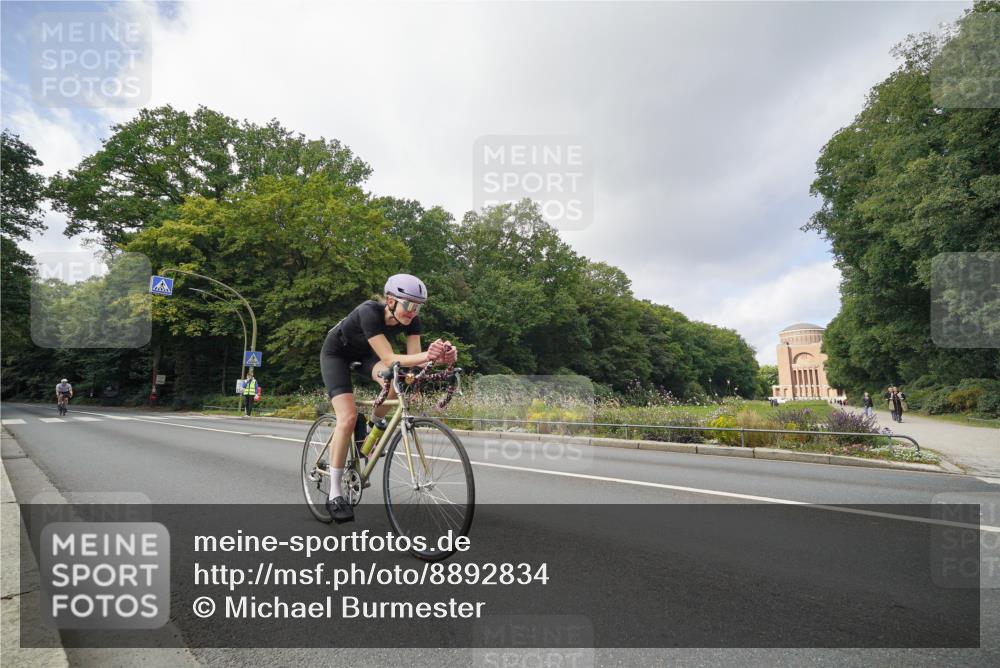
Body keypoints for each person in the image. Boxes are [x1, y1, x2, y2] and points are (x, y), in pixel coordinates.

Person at [319, 274, 456, 523]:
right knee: (347, 418)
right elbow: (390, 358)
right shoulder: (369, 312)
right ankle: (335, 494)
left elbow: (414, 361)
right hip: (337, 354)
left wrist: (440, 357)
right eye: (409, 304)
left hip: (367, 356)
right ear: (391, 300)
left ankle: (373, 426)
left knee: (398, 378)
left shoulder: (412, 320)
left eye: (418, 307)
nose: (413, 311)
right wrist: (428, 355)